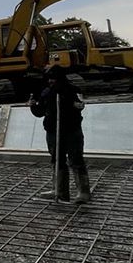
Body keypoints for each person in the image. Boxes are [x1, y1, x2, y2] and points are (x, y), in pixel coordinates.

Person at [30, 66, 90, 203]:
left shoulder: (72, 90)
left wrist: (76, 104)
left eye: (54, 79)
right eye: (49, 78)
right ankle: (59, 190)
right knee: (57, 160)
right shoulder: (46, 92)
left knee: (76, 160)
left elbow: (79, 105)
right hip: (52, 132)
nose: (51, 81)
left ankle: (83, 191)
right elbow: (40, 112)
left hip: (71, 131)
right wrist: (33, 106)